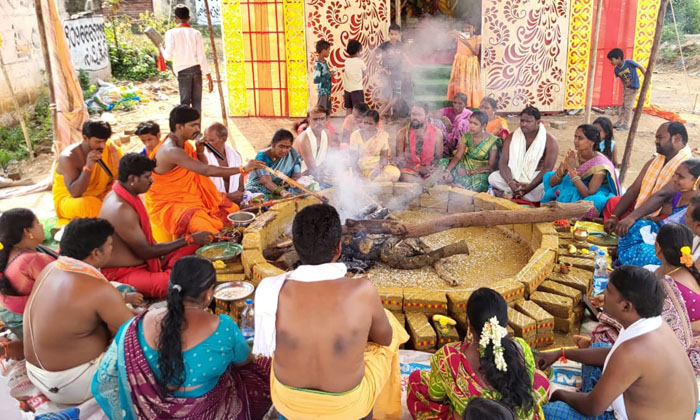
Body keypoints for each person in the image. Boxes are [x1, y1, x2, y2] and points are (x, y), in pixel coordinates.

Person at [254, 204, 409, 419]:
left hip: (289, 403)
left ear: (296, 248)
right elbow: (384, 339)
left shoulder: (270, 289)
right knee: (391, 326)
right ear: (338, 248)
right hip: (347, 409)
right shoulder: (362, 291)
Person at [93, 255, 272, 420]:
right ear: (210, 293)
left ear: (171, 287)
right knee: (263, 367)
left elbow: (105, 380)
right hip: (209, 410)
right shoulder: (224, 327)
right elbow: (245, 362)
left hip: (150, 413)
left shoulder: (133, 327)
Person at [538, 265, 698, 420]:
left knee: (549, 412)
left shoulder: (632, 352)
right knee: (598, 347)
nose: (603, 295)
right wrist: (561, 353)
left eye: (608, 291)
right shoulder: (653, 323)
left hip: (632, 412)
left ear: (626, 306)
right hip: (664, 407)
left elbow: (593, 408)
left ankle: (590, 394)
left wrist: (558, 394)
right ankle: (597, 392)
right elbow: (612, 354)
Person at [23, 218, 134, 405]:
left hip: (35, 373)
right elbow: (134, 332)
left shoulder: (50, 268)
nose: (112, 250)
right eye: (110, 245)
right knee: (147, 346)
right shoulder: (98, 289)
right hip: (72, 385)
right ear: (96, 252)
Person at [406, 288, 549, 420]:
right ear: (504, 323)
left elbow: (436, 397)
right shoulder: (520, 347)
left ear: (468, 321)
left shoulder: (449, 356)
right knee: (539, 379)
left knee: (416, 380)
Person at [100, 153, 213, 299]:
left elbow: (148, 245)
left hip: (149, 259)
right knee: (178, 285)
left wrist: (188, 242)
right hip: (125, 272)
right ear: (132, 179)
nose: (152, 180)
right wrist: (188, 239)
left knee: (194, 246)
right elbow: (146, 252)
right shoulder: (120, 208)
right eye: (147, 177)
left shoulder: (126, 193)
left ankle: (173, 268)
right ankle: (173, 272)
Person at [145, 105, 262, 238]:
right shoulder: (172, 150)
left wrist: (200, 151)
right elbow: (206, 170)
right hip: (172, 204)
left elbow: (202, 166)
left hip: (192, 197)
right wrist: (242, 169)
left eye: (198, 125)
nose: (197, 130)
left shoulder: (185, 144)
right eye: (193, 125)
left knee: (232, 209)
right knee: (207, 230)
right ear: (179, 127)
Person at [604, 122, 692, 228]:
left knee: (639, 225)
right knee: (613, 203)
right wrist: (614, 216)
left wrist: (632, 218)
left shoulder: (686, 167)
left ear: (676, 139)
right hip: (644, 206)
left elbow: (662, 195)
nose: (656, 141)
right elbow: (633, 189)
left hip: (665, 215)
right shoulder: (656, 161)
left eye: (660, 138)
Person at [615, 159, 700, 267]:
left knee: (644, 251)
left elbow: (685, 235)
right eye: (675, 174)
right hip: (661, 233)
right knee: (637, 225)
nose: (674, 178)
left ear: (697, 181)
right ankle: (624, 256)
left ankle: (625, 259)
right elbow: (672, 218)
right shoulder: (678, 194)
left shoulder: (696, 206)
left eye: (680, 177)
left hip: (673, 245)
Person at [0, 209, 54, 360]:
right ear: (27, 231)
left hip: (24, 324)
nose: (42, 226)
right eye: (37, 223)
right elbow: (66, 289)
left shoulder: (11, 252)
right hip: (43, 328)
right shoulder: (32, 260)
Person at [542, 124, 620, 218]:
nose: (576, 141)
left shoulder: (600, 163)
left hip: (594, 191)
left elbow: (587, 193)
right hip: (577, 183)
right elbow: (552, 183)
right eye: (575, 137)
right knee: (549, 175)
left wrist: (571, 171)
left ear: (592, 142)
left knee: (595, 200)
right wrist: (563, 169)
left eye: (580, 138)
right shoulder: (573, 155)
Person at [52, 119, 122, 221]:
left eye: (104, 141)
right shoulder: (68, 157)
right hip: (73, 200)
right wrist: (88, 167)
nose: (102, 146)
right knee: (88, 205)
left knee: (125, 195)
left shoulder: (110, 148)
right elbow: (75, 193)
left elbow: (120, 175)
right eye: (98, 142)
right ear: (85, 138)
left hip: (101, 194)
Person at [488, 107, 558, 202]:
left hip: (534, 177)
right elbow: (503, 163)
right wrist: (511, 183)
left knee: (545, 184)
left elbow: (547, 169)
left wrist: (530, 187)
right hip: (513, 176)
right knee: (493, 177)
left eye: (528, 121)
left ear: (538, 122)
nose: (524, 124)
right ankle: (517, 192)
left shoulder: (550, 140)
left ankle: (511, 193)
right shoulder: (511, 137)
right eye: (522, 121)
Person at [161, 4, 212, 113]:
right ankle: (197, 129)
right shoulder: (196, 33)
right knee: (197, 104)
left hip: (182, 72)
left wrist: (161, 49)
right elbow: (201, 56)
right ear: (189, 18)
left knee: (185, 105)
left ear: (175, 18)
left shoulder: (170, 33)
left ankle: (187, 129)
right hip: (196, 70)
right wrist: (208, 75)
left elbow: (168, 56)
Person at [438, 111, 502, 191]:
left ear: (484, 126)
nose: (471, 126)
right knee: (443, 163)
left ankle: (455, 185)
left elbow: (491, 165)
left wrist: (470, 172)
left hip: (481, 170)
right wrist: (447, 171)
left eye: (475, 124)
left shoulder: (492, 141)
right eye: (470, 122)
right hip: (466, 163)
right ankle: (452, 183)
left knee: (479, 183)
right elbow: (458, 156)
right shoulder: (467, 136)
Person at [246, 129, 303, 198]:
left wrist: (289, 184)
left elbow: (297, 175)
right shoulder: (262, 156)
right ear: (273, 144)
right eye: (281, 146)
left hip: (283, 189)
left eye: (288, 147)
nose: (284, 150)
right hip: (259, 190)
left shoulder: (293, 155)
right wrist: (282, 192)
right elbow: (266, 182)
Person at [396, 103, 444, 183]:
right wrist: (419, 169)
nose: (415, 117)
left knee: (445, 177)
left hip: (429, 170)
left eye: (419, 115)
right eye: (413, 114)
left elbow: (438, 158)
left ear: (427, 116)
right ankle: (425, 185)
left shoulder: (437, 133)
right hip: (410, 170)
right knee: (405, 177)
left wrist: (432, 169)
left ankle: (425, 184)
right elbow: (400, 160)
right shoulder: (402, 133)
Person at [198, 122, 245, 204]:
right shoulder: (201, 158)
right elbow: (201, 191)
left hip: (234, 203)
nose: (206, 144)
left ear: (223, 139)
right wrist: (226, 197)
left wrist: (239, 196)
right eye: (205, 140)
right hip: (211, 202)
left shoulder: (236, 156)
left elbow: (241, 184)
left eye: (211, 140)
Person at [349, 110, 401, 182]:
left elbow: (384, 159)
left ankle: (370, 180)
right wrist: (358, 173)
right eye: (365, 122)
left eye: (370, 124)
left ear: (376, 124)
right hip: (360, 167)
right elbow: (353, 159)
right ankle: (369, 180)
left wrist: (378, 169)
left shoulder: (382, 136)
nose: (366, 126)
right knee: (353, 177)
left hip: (376, 168)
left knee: (395, 173)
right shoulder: (355, 135)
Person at [607, 48, 647, 131]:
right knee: (623, 106)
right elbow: (622, 79)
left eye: (612, 60)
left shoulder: (629, 62)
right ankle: (619, 122)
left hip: (633, 88)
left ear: (618, 58)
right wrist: (625, 88)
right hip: (627, 89)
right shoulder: (616, 70)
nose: (611, 62)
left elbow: (639, 67)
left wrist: (646, 76)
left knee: (628, 107)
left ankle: (625, 124)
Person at [446, 22, 482, 107]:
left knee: (469, 84)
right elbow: (447, 36)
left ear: (474, 28)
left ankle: (469, 103)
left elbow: (476, 52)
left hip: (471, 65)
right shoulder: (460, 37)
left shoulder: (477, 38)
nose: (467, 30)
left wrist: (467, 44)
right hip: (460, 65)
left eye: (469, 28)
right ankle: (459, 103)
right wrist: (454, 32)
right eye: (465, 28)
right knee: (460, 84)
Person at [377, 24, 408, 119]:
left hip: (398, 74)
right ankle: (388, 115)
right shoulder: (384, 45)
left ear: (399, 35)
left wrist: (410, 64)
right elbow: (372, 56)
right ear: (388, 34)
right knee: (386, 95)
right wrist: (379, 68)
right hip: (386, 74)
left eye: (395, 34)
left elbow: (404, 56)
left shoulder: (401, 45)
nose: (393, 36)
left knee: (396, 95)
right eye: (391, 34)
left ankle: (382, 115)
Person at [295, 105, 336, 176]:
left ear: (326, 119)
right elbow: (312, 168)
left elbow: (327, 159)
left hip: (316, 173)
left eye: (322, 119)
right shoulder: (304, 138)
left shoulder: (327, 133)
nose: (319, 122)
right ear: (309, 120)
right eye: (315, 119)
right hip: (300, 176)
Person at [435, 93, 473, 157]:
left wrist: (454, 128)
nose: (456, 105)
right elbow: (433, 114)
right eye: (455, 103)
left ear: (465, 105)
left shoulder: (470, 114)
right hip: (447, 139)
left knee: (463, 123)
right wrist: (444, 118)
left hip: (462, 142)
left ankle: (458, 152)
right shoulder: (448, 110)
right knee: (436, 122)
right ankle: (442, 150)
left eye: (460, 103)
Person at [343, 39, 366, 114]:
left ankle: (347, 124)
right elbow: (365, 73)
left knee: (349, 109)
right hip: (357, 90)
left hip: (347, 90)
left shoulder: (346, 61)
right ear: (358, 51)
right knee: (359, 110)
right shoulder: (360, 62)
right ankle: (358, 125)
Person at [313, 39, 334, 110]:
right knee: (321, 110)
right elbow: (316, 80)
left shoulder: (324, 62)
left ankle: (327, 121)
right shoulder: (318, 64)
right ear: (323, 51)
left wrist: (330, 73)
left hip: (327, 91)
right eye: (328, 50)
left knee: (328, 110)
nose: (329, 52)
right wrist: (328, 75)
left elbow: (324, 74)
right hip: (323, 93)